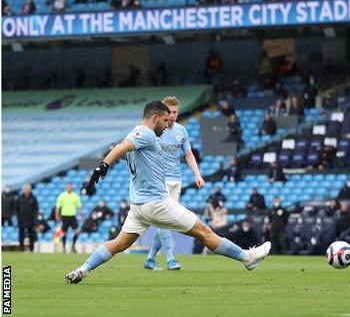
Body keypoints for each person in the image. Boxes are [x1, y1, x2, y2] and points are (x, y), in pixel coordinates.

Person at [65, 101, 271, 284]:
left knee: (119, 243)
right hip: (156, 203)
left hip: (138, 206)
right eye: (164, 120)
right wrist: (103, 166)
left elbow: (122, 148)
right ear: (154, 118)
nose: (167, 124)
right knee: (204, 232)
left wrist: (104, 165)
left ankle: (82, 270)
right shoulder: (144, 133)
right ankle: (247, 258)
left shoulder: (136, 137)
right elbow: (121, 147)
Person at [145, 96, 206, 271]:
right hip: (159, 180)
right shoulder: (155, 131)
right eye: (169, 112)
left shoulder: (181, 131)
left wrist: (197, 175)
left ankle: (150, 259)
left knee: (165, 221)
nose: (172, 115)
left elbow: (188, 154)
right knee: (166, 219)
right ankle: (170, 258)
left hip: (176, 180)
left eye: (175, 112)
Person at [56, 183, 83, 253]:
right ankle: (64, 247)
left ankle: (73, 246)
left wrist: (81, 214)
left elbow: (79, 206)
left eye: (70, 187)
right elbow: (58, 207)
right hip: (64, 216)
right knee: (64, 233)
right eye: (68, 187)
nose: (69, 188)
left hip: (72, 216)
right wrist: (57, 215)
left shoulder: (75, 196)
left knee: (76, 232)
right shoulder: (62, 196)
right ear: (66, 188)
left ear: (72, 188)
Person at [15, 183, 39, 252]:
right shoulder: (19, 198)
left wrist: (35, 216)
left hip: (31, 219)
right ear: (23, 189)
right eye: (26, 189)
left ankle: (31, 248)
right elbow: (16, 208)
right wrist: (18, 216)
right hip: (21, 219)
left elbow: (36, 208)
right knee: (21, 235)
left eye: (28, 189)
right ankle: (21, 248)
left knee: (31, 234)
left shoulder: (33, 198)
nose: (27, 190)